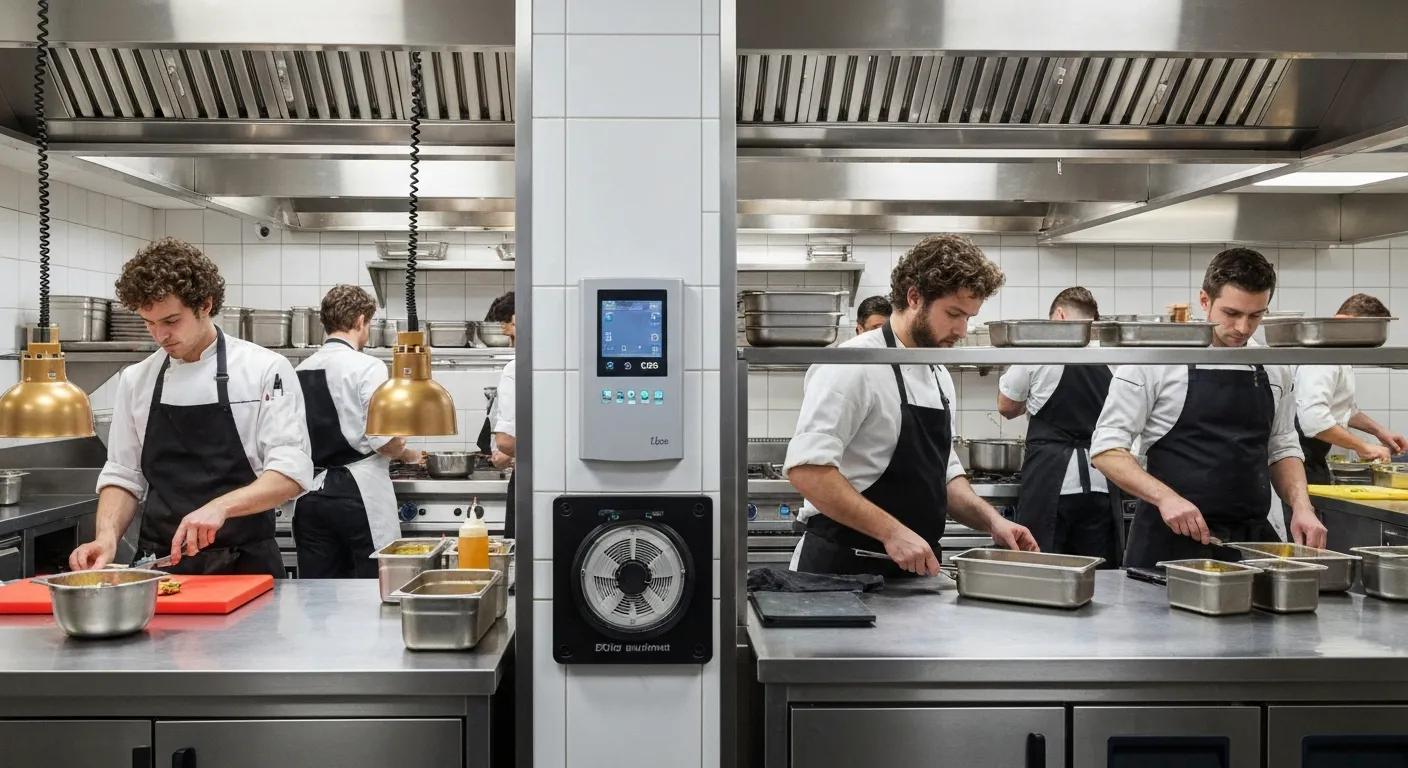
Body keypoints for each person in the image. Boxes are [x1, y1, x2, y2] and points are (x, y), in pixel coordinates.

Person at [785, 234, 1038, 577]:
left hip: (915, 574)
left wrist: (992, 521)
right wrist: (892, 532)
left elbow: (944, 475)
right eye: (953, 314)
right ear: (914, 297)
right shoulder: (853, 364)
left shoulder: (937, 372)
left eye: (969, 317)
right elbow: (808, 470)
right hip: (840, 572)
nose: (962, 329)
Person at [70, 238, 313, 576]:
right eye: (149, 323)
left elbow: (290, 473)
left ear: (205, 305)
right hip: (160, 568)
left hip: (245, 567)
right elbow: (124, 474)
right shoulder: (137, 379)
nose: (160, 335)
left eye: (171, 321)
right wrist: (107, 537)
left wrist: (221, 507)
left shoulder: (263, 370)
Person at [1091, 247, 1327, 568]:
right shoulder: (1156, 362)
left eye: (1256, 315)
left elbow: (1282, 448)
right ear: (1205, 301)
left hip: (1250, 544)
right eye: (1231, 313)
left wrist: (1302, 507)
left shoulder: (1273, 367)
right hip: (1168, 543)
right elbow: (1107, 450)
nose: (1243, 328)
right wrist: (1166, 498)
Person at [291, 285, 424, 578]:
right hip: (357, 496)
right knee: (370, 590)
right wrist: (406, 451)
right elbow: (383, 441)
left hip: (310, 494)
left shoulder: (299, 369)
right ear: (361, 321)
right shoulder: (368, 366)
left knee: (317, 599)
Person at [997, 287, 1117, 561]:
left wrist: (1030, 401)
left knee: (1040, 567)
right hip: (1101, 478)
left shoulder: (1038, 350)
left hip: (1050, 480)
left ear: (1059, 315)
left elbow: (1006, 406)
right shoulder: (1113, 356)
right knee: (1098, 572)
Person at [1295, 293, 1408, 484]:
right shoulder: (1323, 357)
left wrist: (1380, 432)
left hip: (1314, 457)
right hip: (1301, 459)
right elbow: (1314, 418)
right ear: (1343, 322)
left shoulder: (1339, 353)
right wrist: (1362, 446)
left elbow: (1343, 407)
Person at [476, 292, 517, 537]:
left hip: (527, 481)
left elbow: (506, 441)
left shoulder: (515, 369)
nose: (510, 341)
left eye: (511, 331)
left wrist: (511, 454)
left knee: (520, 560)